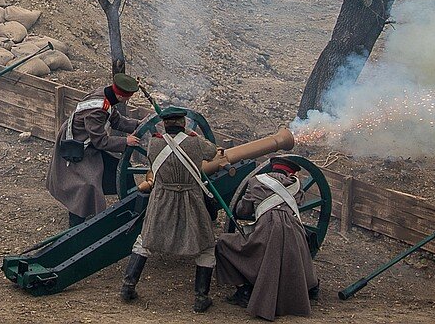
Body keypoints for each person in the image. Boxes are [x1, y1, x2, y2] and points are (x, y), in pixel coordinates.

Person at [121, 109, 226, 312]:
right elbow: (212, 151)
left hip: (161, 199)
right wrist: (193, 136)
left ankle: (128, 286)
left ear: (166, 125)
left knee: (145, 241)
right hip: (191, 198)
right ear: (183, 123)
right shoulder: (195, 142)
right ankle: (200, 297)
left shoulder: (154, 143)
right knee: (206, 246)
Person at [215, 157, 320, 320]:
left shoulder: (255, 181)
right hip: (294, 232)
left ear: (272, 168)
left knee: (223, 244)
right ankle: (307, 286)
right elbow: (298, 203)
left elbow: (242, 211)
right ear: (289, 172)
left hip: (266, 232)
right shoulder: (296, 186)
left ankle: (243, 290)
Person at [46, 73, 142, 227]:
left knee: (119, 169)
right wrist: (126, 141)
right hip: (76, 146)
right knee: (86, 185)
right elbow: (100, 141)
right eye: (127, 97)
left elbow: (116, 120)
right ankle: (76, 225)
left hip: (88, 143)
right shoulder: (97, 110)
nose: (128, 100)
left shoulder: (107, 96)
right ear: (119, 94)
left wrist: (138, 125)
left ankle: (130, 208)